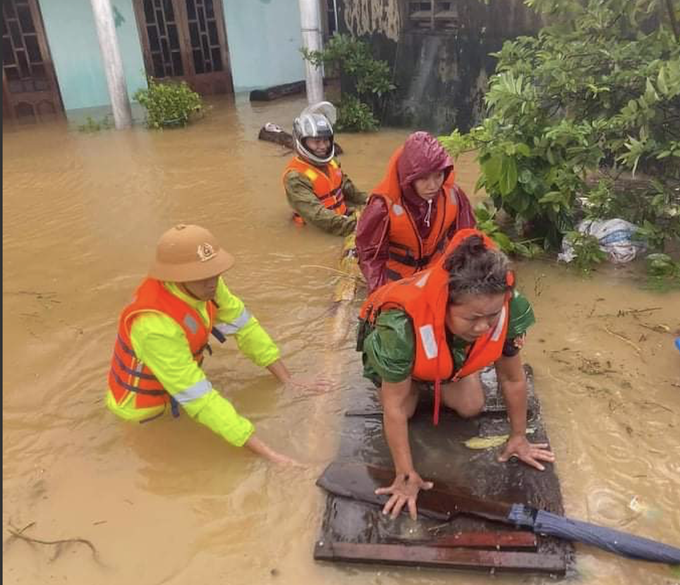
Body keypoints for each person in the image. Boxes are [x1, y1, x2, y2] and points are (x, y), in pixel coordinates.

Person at [356, 229, 555, 519]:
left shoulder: (507, 307)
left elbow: (512, 379)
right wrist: (405, 474)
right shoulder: (400, 326)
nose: (484, 327)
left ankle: (451, 369)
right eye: (473, 318)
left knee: (471, 406)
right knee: (406, 408)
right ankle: (424, 376)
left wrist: (518, 437)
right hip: (404, 355)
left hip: (444, 356)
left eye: (492, 316)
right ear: (444, 305)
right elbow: (394, 407)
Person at [106, 224, 307, 465]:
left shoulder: (206, 285)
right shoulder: (154, 326)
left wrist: (288, 380)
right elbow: (199, 398)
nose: (213, 282)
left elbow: (245, 326)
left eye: (215, 272)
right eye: (203, 276)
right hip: (144, 416)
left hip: (175, 392)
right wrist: (269, 454)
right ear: (178, 277)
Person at [356, 131, 477, 294]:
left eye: (438, 175)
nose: (433, 185)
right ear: (409, 178)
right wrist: (380, 295)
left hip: (436, 276)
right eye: (424, 178)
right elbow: (371, 257)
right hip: (397, 284)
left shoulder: (454, 196)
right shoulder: (382, 207)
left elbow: (466, 240)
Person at [282, 102, 367, 236]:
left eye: (326, 140)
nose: (323, 146)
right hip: (315, 232)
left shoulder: (331, 162)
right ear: (303, 142)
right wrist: (359, 226)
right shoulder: (295, 177)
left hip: (342, 219)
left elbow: (348, 188)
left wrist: (370, 201)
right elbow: (317, 215)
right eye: (316, 141)